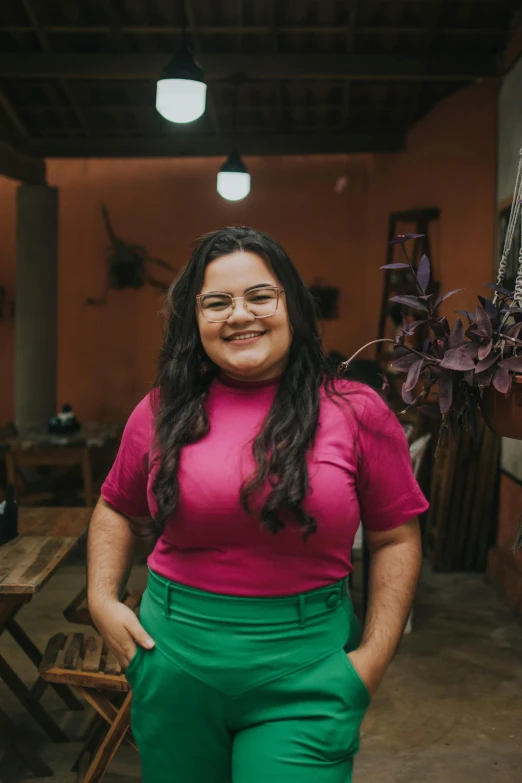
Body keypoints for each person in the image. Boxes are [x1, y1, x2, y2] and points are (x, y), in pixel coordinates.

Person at [87, 226, 428, 783]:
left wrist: (370, 662)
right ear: (194, 321)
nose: (238, 315)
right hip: (172, 661)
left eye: (259, 296)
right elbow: (117, 508)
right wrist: (101, 598)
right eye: (216, 302)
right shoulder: (160, 410)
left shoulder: (356, 411)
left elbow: (396, 537)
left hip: (307, 670)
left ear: (291, 305)